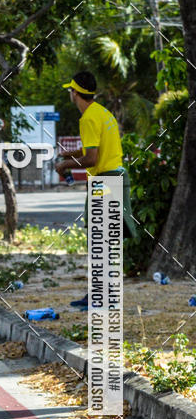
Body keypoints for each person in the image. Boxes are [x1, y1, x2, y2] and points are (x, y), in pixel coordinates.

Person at [55, 71, 136, 309]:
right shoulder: (102, 112)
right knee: (108, 242)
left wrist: (65, 164)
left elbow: (91, 158)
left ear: (75, 93)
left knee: (99, 241)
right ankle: (104, 294)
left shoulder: (88, 118)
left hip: (104, 181)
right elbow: (94, 149)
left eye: (71, 91)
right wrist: (68, 154)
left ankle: (99, 296)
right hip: (116, 177)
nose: (71, 94)